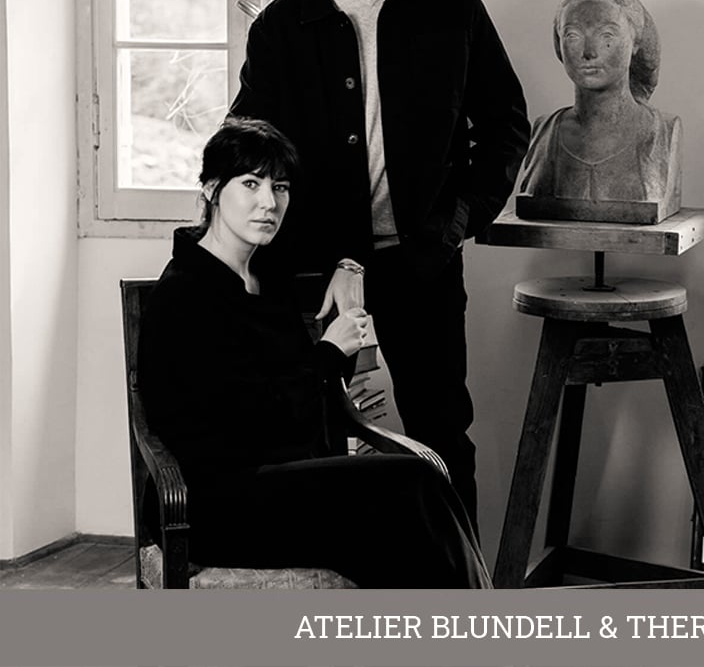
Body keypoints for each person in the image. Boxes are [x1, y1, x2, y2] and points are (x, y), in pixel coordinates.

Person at [229, 0, 530, 533]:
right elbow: (251, 144)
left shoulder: (452, 7)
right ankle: (346, 581)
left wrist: (457, 220)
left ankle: (458, 586)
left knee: (441, 434)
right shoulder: (281, 26)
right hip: (316, 271)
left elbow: (506, 127)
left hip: (423, 261)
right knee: (317, 437)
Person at [137, 117, 491, 588]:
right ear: (211, 190)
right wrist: (327, 352)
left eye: (280, 187)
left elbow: (302, 397)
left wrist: (346, 276)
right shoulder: (184, 293)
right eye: (251, 184)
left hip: (281, 480)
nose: (269, 202)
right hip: (214, 500)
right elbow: (247, 420)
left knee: (422, 499)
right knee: (412, 488)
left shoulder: (268, 278)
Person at [517, 0, 681, 223]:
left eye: (607, 36)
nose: (589, 52)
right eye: (572, 35)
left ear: (635, 43)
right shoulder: (545, 132)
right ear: (559, 45)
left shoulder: (661, 132)